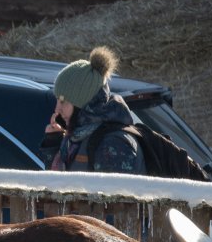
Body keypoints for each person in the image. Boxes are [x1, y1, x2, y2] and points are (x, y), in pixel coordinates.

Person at [43, 46, 146, 175]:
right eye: (57, 100)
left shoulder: (113, 145)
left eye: (63, 101)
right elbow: (57, 186)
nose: (57, 108)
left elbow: (117, 193)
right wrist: (53, 143)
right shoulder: (76, 137)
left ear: (82, 101)